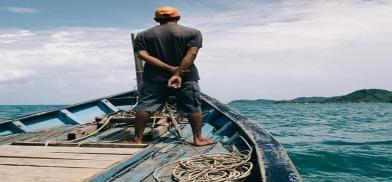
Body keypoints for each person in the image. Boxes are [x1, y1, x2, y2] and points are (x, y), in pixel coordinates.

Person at [132, 6, 216, 146]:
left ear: (156, 19)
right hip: (186, 75)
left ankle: (137, 139)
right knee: (192, 105)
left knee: (145, 105)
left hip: (154, 77)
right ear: (178, 17)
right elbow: (192, 54)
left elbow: (142, 55)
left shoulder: (143, 35)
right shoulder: (193, 32)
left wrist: (169, 69)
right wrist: (177, 73)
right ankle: (198, 139)